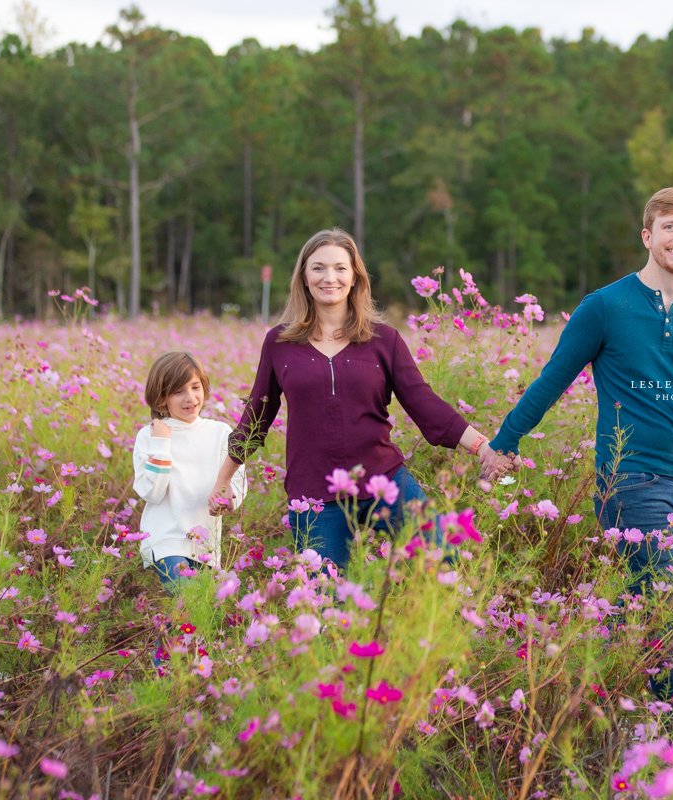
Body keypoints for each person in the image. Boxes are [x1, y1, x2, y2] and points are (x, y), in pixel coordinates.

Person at [487, 188, 673, 702]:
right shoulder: (605, 307)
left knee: (638, 610)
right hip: (631, 480)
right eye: (669, 227)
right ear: (647, 235)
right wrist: (505, 441)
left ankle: (591, 698)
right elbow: (553, 379)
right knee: (668, 608)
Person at [211, 228, 516, 574]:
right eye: (318, 268)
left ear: (355, 277)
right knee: (326, 600)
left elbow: (424, 403)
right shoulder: (279, 343)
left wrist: (483, 447)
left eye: (341, 268)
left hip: (381, 478)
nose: (330, 278)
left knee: (443, 555)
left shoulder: (383, 340)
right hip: (314, 494)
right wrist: (223, 480)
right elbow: (257, 415)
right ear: (303, 277)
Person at [133, 351, 247, 593]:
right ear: (161, 398)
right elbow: (151, 493)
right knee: (187, 594)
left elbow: (236, 476)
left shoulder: (220, 432)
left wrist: (228, 498)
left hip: (205, 545)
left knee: (198, 611)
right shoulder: (150, 435)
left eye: (195, 387)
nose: (190, 397)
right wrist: (161, 445)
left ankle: (170, 631)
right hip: (167, 540)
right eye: (178, 391)